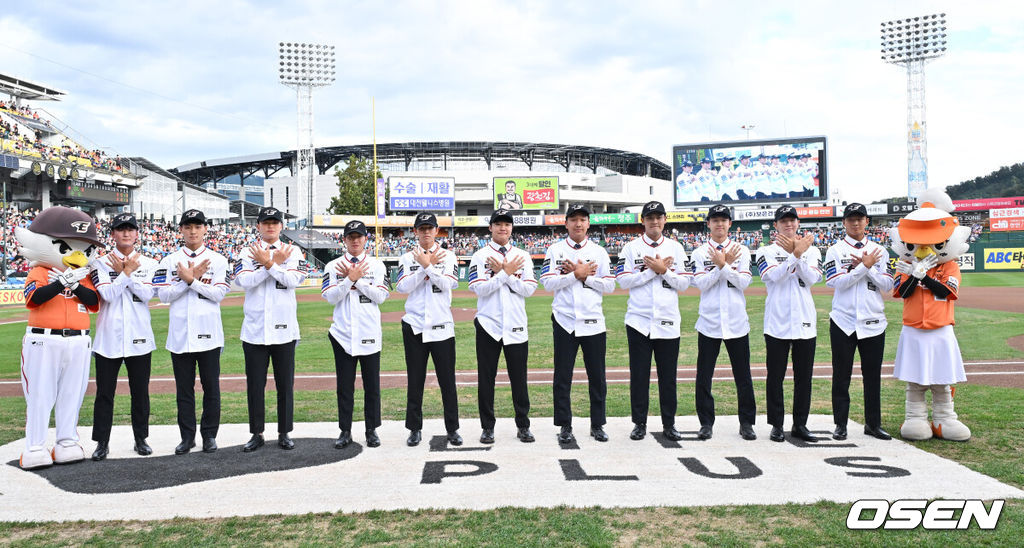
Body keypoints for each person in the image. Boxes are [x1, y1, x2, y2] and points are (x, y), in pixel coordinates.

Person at [155, 209, 230, 455]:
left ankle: (209, 435)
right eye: (188, 226)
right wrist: (185, 280)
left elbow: (218, 294)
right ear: (181, 230)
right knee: (184, 390)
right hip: (180, 336)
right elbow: (163, 295)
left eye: (198, 226)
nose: (193, 231)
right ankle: (187, 438)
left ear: (206, 229)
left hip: (209, 334)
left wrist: (192, 281)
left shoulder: (218, 260)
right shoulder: (169, 260)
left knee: (212, 389)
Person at [615, 201, 691, 441]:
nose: (654, 221)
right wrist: (652, 271)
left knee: (668, 377)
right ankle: (639, 423)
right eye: (650, 218)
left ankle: (669, 423)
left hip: (668, 320)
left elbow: (685, 283)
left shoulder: (676, 248)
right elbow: (623, 281)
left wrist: (664, 271)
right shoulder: (630, 248)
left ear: (665, 220)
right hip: (638, 321)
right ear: (643, 220)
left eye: (658, 217)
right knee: (639, 376)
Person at [541, 204, 615, 443]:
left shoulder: (599, 252)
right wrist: (574, 274)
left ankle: (598, 424)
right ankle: (565, 425)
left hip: (593, 321)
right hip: (564, 321)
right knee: (563, 376)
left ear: (588, 223)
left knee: (597, 376)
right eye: (573, 219)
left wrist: (587, 276)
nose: (578, 223)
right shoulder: (555, 250)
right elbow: (547, 283)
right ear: (566, 224)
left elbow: (610, 286)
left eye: (582, 219)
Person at [234, 207, 307, 452]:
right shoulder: (246, 251)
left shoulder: (293, 250)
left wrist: (269, 265)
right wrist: (271, 265)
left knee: (285, 384)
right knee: (255, 385)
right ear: (258, 226)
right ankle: (257, 433)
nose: (271, 227)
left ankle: (284, 432)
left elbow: (294, 281)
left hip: (285, 329)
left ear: (281, 226)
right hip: (254, 330)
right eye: (266, 223)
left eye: (275, 222)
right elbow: (244, 281)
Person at [90, 213, 158, 460]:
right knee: (104, 394)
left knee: (140, 392)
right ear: (113, 234)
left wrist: (125, 274)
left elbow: (148, 295)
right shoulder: (100, 264)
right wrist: (126, 274)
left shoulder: (150, 263)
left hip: (139, 336)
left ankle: (141, 439)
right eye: (121, 229)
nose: (126, 233)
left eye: (130, 229)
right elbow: (107, 295)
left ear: (137, 233)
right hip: (108, 338)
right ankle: (102, 442)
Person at [825, 203, 894, 440]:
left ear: (867, 222)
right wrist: (861, 268)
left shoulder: (879, 251)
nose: (855, 223)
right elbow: (835, 282)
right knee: (841, 375)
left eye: (860, 218)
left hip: (874, 321)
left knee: (872, 376)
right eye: (851, 219)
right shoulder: (835, 250)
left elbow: (888, 286)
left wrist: (868, 268)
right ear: (843, 223)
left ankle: (873, 424)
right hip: (843, 321)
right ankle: (840, 424)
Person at [468, 209, 538, 444]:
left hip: (516, 325)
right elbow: (479, 288)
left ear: (512, 228)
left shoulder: (523, 255)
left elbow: (528, 290)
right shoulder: (480, 255)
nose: (503, 228)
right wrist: (505, 273)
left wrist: (505, 274)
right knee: (486, 379)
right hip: (488, 324)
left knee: (519, 379)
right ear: (491, 228)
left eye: (507, 224)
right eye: (498, 224)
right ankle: (487, 427)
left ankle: (523, 425)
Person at [689, 204, 757, 441]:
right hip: (709, 322)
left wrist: (723, 264)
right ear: (708, 224)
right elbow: (701, 284)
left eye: (723, 220)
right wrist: (722, 265)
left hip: (737, 322)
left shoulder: (742, 250)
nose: (719, 224)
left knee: (743, 376)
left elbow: (744, 283)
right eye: (715, 220)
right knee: (704, 376)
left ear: (730, 224)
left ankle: (747, 423)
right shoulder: (699, 253)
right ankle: (706, 423)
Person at [755, 205, 822, 442]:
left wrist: (800, 254)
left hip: (805, 320)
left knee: (804, 377)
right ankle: (776, 425)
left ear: (798, 224)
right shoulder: (765, 250)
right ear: (776, 226)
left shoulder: (812, 251)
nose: (789, 225)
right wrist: (794, 254)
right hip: (777, 321)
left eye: (792, 221)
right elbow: (772, 276)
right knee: (776, 376)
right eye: (783, 221)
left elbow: (812, 278)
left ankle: (800, 425)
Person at [322, 220, 390, 448]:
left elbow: (380, 297)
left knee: (372, 386)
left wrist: (357, 280)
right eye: (350, 236)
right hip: (342, 334)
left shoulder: (377, 265)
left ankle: (372, 430)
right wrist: (348, 280)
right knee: (345, 386)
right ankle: (345, 430)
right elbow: (330, 297)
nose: (354, 240)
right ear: (344, 239)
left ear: (365, 239)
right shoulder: (333, 266)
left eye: (358, 236)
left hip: (370, 331)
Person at [396, 212, 461, 446]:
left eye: (429, 228)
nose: (426, 232)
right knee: (415, 381)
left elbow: (448, 284)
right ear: (415, 232)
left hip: (442, 326)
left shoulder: (449, 256)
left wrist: (429, 267)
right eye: (421, 228)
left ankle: (452, 429)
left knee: (447, 381)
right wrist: (424, 268)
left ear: (436, 231)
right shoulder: (406, 258)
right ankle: (414, 429)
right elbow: (402, 287)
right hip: (414, 325)